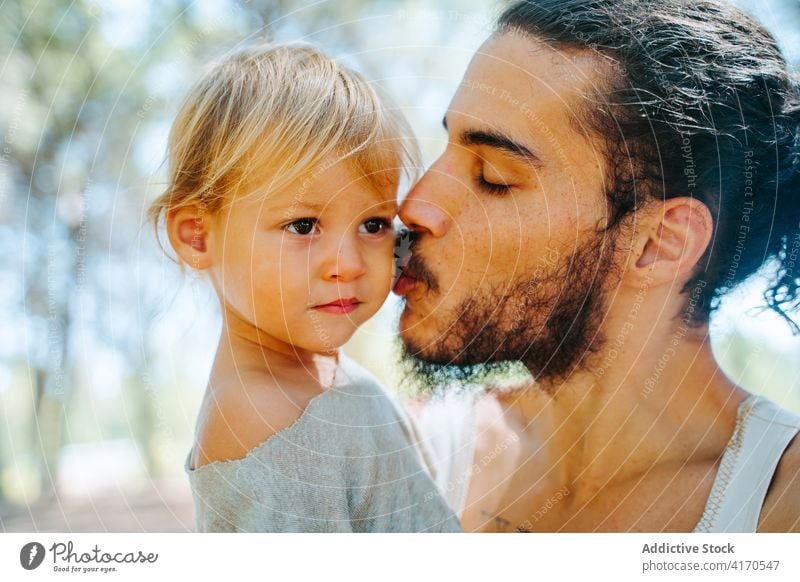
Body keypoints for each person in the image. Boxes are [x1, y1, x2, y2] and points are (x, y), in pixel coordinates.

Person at [395, 0, 800, 532]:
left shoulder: (779, 507)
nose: (414, 205)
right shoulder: (412, 447)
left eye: (493, 175)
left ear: (658, 243)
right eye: (445, 150)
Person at [148, 43, 460, 532]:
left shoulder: (316, 383)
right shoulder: (264, 414)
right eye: (302, 226)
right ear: (198, 236)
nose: (349, 264)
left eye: (374, 224)